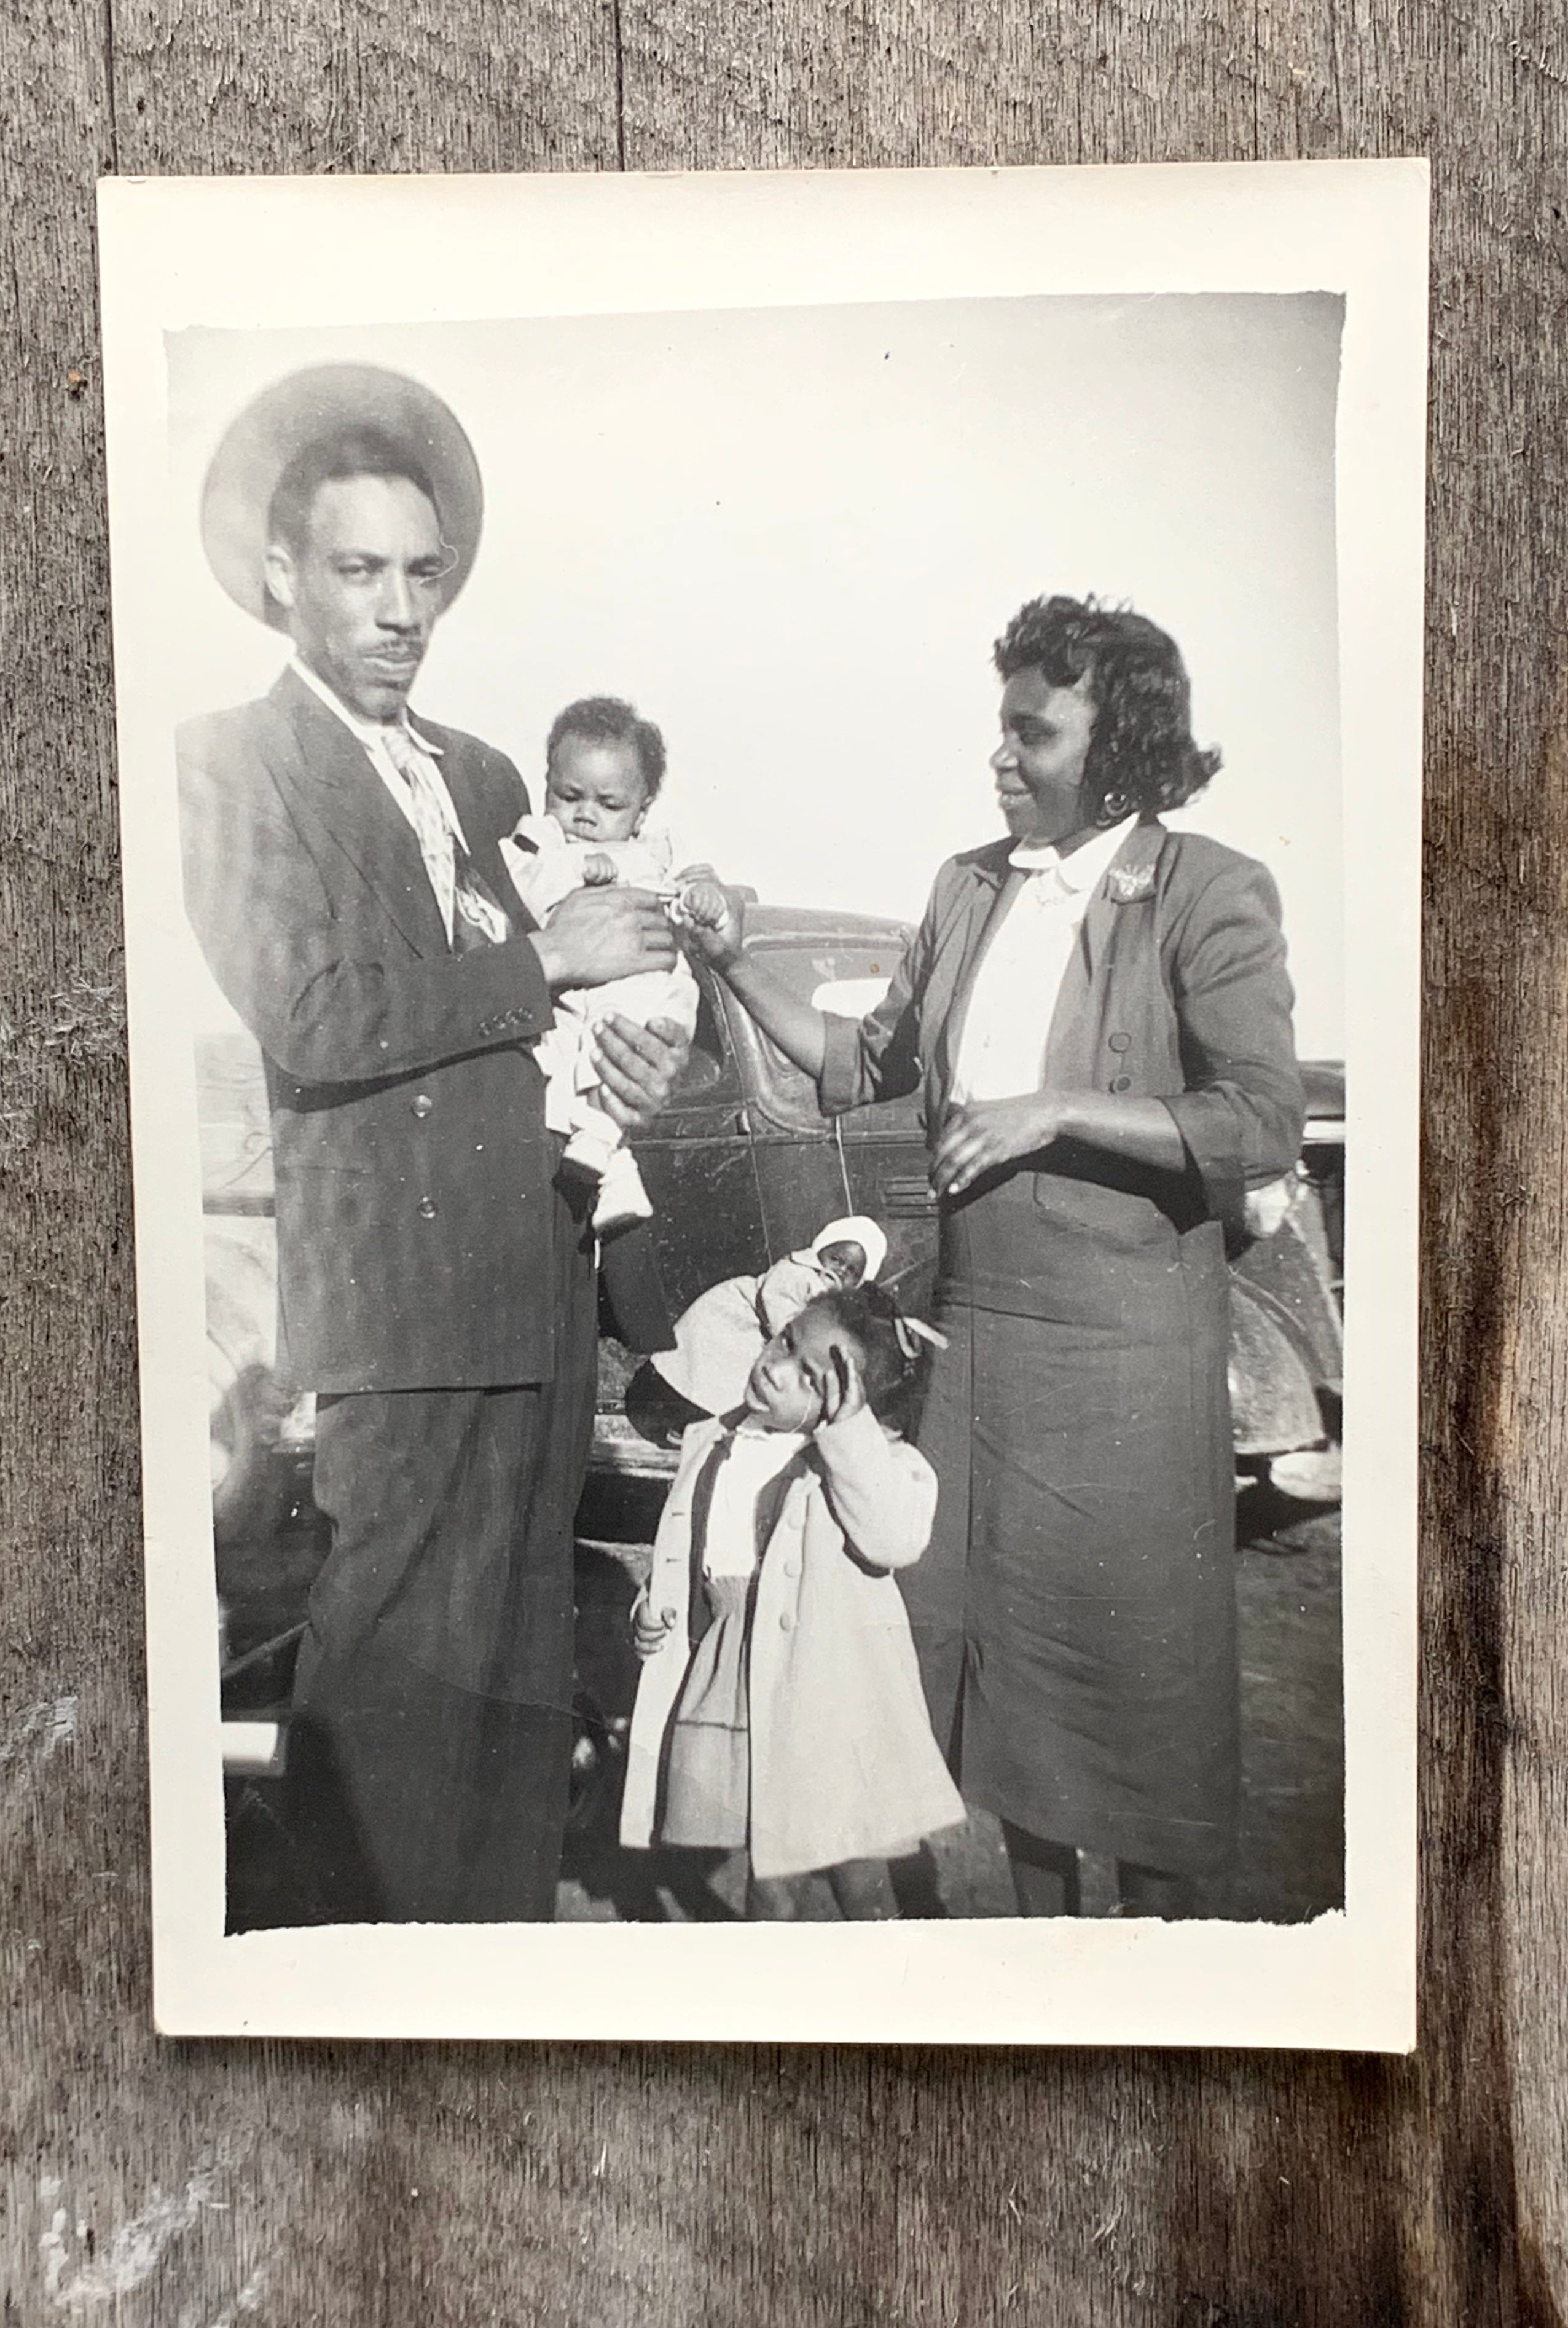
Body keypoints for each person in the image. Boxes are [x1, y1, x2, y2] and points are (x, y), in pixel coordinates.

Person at [683, 593, 1304, 1918]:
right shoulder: (970, 886)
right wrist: (729, 960)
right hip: (984, 1348)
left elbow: (1260, 1118)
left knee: (1138, 1708)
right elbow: (859, 1062)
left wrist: (1055, 1110)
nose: (1001, 755)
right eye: (1002, 728)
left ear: (1119, 748)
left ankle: (1159, 1983)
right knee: (1005, 1702)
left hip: (1128, 1364)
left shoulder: (1205, 890)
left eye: (1035, 733)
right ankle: (1042, 1967)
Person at [177, 364, 689, 1924]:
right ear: (281, 576)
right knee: (391, 1686)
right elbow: (313, 1011)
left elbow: (531, 1023)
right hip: (396, 1307)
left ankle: (497, 1987)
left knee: (518, 1684)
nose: (402, 611)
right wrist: (547, 963)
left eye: (423, 573)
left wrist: (630, 1069)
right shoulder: (226, 762)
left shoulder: (482, 775)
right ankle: (358, 1997)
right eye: (359, 571)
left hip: (537, 1279)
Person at [619, 1285, 965, 1918]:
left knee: (855, 1867)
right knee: (772, 1867)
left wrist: (850, 1433)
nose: (776, 1369)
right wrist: (651, 1604)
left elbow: (894, 1537)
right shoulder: (716, 1438)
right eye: (785, 1343)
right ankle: (777, 1971)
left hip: (822, 1693)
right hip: (734, 1678)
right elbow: (691, 1540)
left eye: (810, 1377)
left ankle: (882, 1971)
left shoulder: (866, 1465)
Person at [500, 697, 700, 1234]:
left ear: (642, 809)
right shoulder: (541, 844)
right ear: (547, 784)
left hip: (647, 980)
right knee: (580, 1044)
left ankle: (606, 1146)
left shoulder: (652, 852)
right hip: (578, 986)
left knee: (652, 1015)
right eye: (568, 796)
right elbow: (524, 888)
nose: (586, 814)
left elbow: (675, 902)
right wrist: (574, 872)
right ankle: (610, 1158)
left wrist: (697, 901)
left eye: (609, 804)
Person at [638, 1213, 888, 1429]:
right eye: (837, 1259)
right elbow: (780, 1309)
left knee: (731, 1384)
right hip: (740, 1320)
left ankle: (701, 1420)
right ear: (820, 1250)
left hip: (759, 1337)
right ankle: (683, 1413)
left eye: (852, 1271)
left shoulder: (831, 1300)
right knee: (705, 1367)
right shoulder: (797, 1272)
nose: (841, 1270)